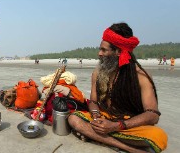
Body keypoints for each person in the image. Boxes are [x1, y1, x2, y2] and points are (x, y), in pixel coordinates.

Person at [68, 23, 166, 153]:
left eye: (104, 50)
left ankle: (99, 137)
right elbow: (93, 101)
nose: (99, 53)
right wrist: (96, 117)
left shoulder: (141, 76)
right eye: (100, 49)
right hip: (103, 118)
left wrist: (115, 126)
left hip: (127, 125)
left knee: (158, 136)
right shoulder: (97, 73)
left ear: (119, 51)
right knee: (73, 119)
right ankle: (128, 148)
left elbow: (153, 115)